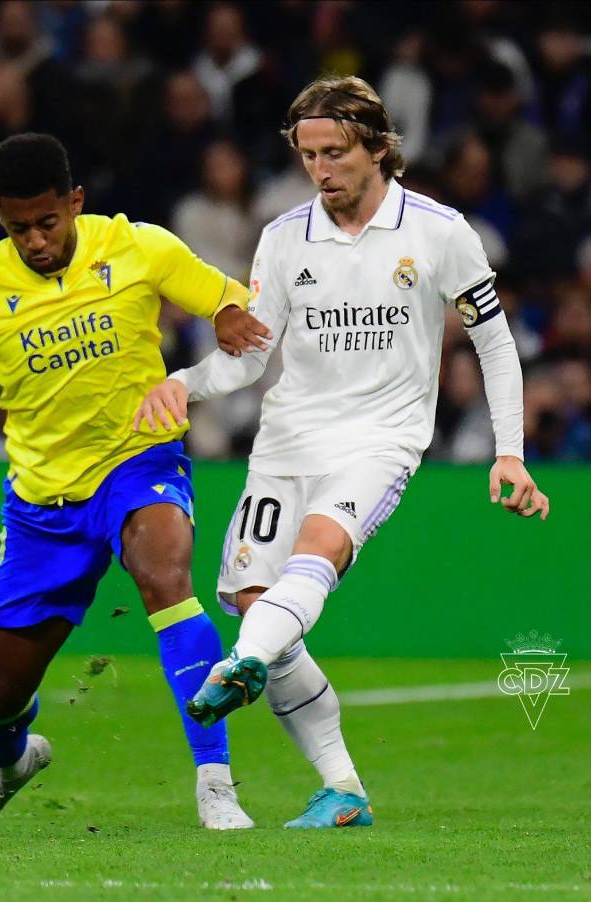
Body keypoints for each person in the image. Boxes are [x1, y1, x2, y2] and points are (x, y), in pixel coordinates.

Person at [135, 76, 550, 830]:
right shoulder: (284, 236)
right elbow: (251, 357)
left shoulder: (438, 231)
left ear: (379, 150)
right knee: (260, 607)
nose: (321, 171)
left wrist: (508, 451)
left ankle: (239, 665)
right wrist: (182, 384)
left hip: (381, 440)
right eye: (307, 156)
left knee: (316, 553)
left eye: (335, 153)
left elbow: (493, 341)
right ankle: (342, 788)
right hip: (287, 442)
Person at [0, 133, 269, 828]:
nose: (37, 241)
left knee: (166, 579)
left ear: (74, 201)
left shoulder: (137, 247)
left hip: (137, 463)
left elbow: (223, 296)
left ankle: (215, 781)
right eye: (19, 228)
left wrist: (228, 310)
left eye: (48, 222)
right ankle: (12, 761)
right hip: (43, 504)